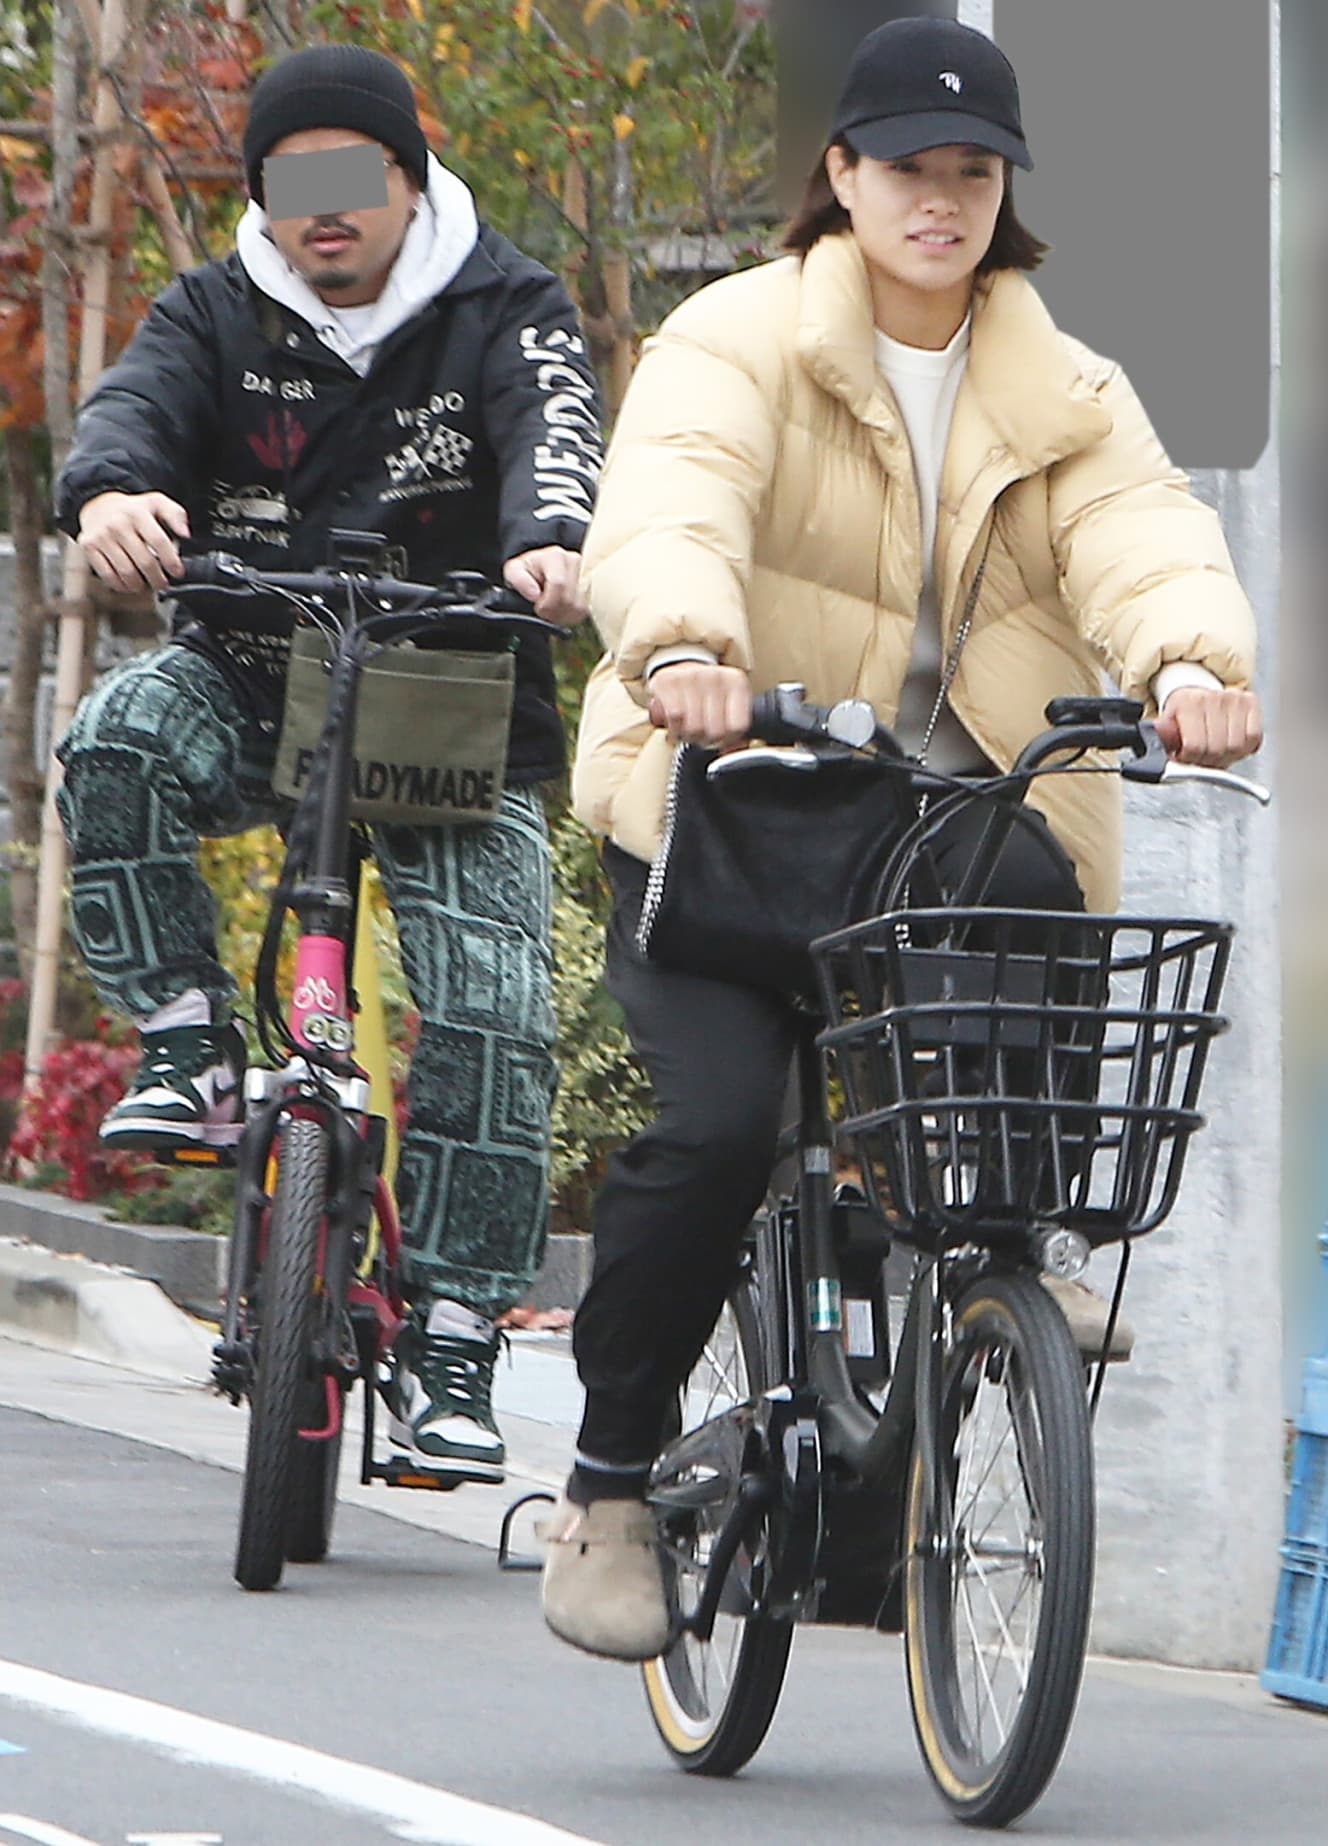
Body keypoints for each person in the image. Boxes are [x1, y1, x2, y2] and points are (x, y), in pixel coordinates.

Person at [540, 14, 1263, 1659]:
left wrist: (1197, 665)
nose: (940, 200)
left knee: (1036, 887)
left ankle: (1008, 1247)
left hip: (936, 816)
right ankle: (607, 1484)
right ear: (840, 177)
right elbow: (674, 500)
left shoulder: (1065, 385)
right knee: (718, 1130)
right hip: (730, 801)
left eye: (971, 171)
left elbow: (1142, 532)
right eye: (905, 168)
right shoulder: (736, 341)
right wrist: (681, 648)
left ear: (1002, 192)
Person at [52, 43, 603, 1487]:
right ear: (266, 201)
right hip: (251, 673)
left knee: (494, 1006)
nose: (328, 212)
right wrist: (112, 494)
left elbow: (556, 424)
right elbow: (129, 415)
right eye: (295, 186)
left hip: (449, 701)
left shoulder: (508, 301)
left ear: (408, 183)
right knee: (111, 741)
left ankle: (459, 1343)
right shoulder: (212, 307)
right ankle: (185, 1040)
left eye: (356, 179)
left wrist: (551, 536)